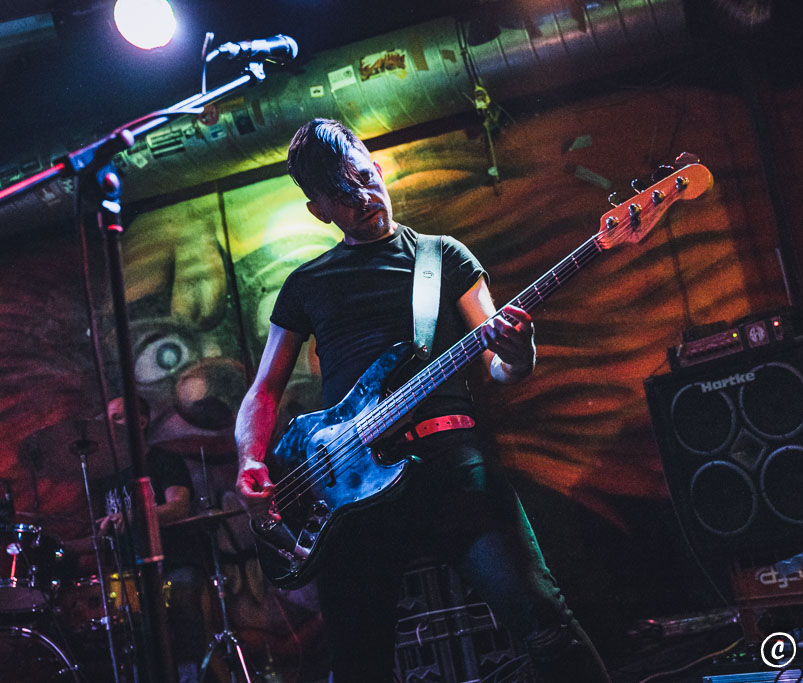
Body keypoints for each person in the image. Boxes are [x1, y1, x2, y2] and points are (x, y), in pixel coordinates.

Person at [235, 118, 610, 682]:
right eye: (343, 195)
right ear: (319, 211)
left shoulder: (444, 257)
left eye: (365, 179)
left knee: (544, 622)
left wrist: (520, 352)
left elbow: (500, 365)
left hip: (451, 466)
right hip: (346, 489)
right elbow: (264, 389)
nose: (365, 199)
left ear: (377, 168)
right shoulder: (306, 285)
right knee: (358, 666)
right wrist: (250, 459)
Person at [66, 396, 208, 683]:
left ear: (140, 422)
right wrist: (59, 546)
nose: (110, 425)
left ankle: (191, 676)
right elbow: (102, 533)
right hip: (129, 574)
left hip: (174, 564)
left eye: (117, 417)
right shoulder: (106, 477)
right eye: (107, 419)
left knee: (183, 600)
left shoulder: (164, 460)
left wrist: (133, 516)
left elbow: (179, 506)